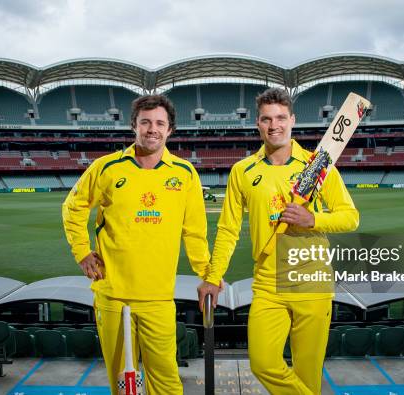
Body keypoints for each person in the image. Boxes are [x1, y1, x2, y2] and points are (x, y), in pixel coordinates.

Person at [198, 87, 359, 394]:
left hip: (312, 282)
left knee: (308, 376)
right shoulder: (242, 171)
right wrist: (212, 276)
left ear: (292, 120)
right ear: (257, 123)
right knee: (262, 363)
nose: (275, 125)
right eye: (266, 119)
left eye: (281, 118)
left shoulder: (318, 165)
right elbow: (228, 230)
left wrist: (312, 219)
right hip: (268, 285)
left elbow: (350, 217)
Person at [63, 95, 211, 395]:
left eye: (159, 123)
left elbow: (194, 232)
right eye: (145, 122)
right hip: (114, 295)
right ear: (134, 126)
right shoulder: (107, 168)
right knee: (123, 384)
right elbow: (72, 208)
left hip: (158, 298)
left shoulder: (184, 174)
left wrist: (207, 274)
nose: (152, 129)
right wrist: (81, 252)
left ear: (170, 130)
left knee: (167, 383)